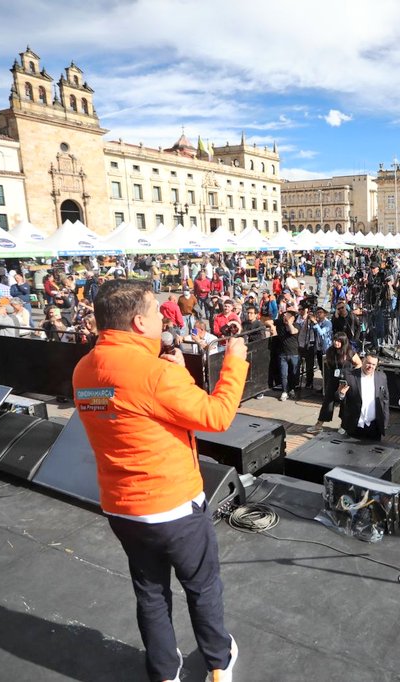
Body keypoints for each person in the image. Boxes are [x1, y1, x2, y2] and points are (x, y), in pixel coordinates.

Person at [72, 280, 247, 682]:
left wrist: (174, 374)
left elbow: (127, 405)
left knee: (150, 593)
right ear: (138, 322)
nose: (164, 318)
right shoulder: (154, 374)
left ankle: (165, 673)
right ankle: (219, 663)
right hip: (174, 507)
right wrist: (234, 362)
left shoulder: (84, 369)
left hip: (122, 508)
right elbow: (216, 416)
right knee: (202, 587)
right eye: (156, 312)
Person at [308, 332, 361, 434]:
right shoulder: (330, 351)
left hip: (346, 378)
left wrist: (352, 375)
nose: (336, 343)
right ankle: (319, 424)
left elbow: (359, 364)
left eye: (339, 341)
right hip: (333, 378)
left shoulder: (349, 351)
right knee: (328, 400)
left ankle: (343, 425)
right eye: (335, 340)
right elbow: (328, 364)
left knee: (344, 402)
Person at [337, 353, 391, 441]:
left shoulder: (382, 377)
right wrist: (341, 394)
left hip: (374, 426)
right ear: (363, 361)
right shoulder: (350, 376)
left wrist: (385, 421)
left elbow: (385, 400)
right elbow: (337, 396)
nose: (370, 367)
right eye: (368, 363)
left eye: (373, 364)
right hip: (354, 425)